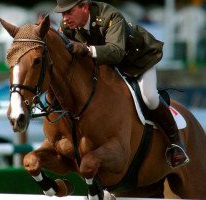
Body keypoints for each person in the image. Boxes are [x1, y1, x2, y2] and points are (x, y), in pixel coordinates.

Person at [54, 0, 189, 168]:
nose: (65, 18)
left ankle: (176, 144)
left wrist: (88, 50)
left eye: (69, 12)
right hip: (107, 67)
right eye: (62, 14)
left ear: (85, 7)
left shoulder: (110, 16)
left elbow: (116, 52)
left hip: (137, 62)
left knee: (150, 97)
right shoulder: (67, 25)